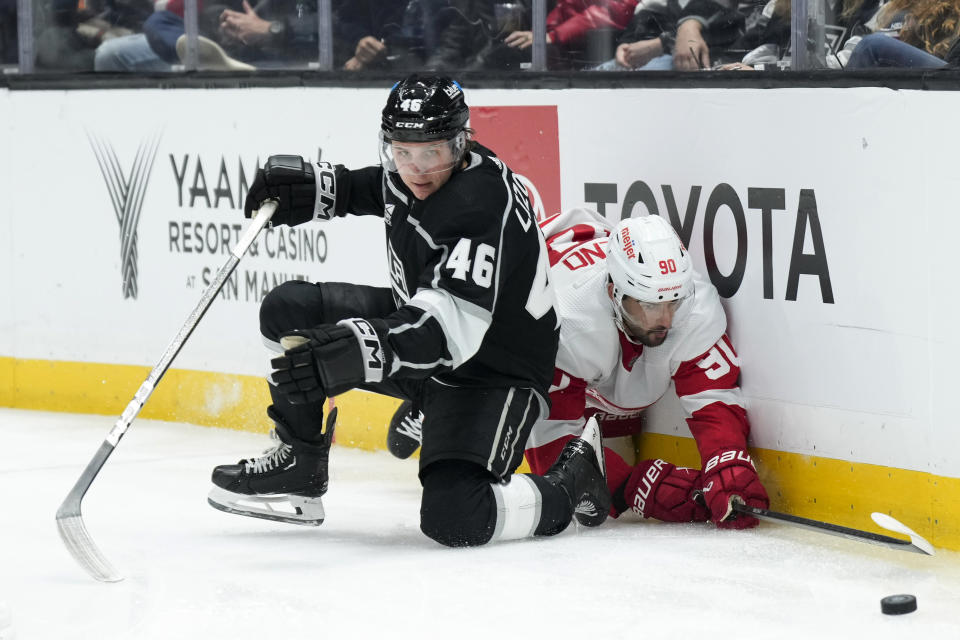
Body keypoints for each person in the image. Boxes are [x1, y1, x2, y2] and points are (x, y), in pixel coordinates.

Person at [207, 74, 611, 548]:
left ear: (461, 144)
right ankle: (300, 465)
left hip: (491, 372)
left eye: (431, 153)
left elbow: (446, 332)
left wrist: (359, 350)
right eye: (402, 151)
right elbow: (375, 187)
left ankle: (571, 481)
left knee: (455, 517)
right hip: (424, 336)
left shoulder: (478, 205)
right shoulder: (415, 174)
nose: (416, 169)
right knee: (288, 310)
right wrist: (316, 188)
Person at [390, 207, 769, 529]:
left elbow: (713, 398)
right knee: (496, 404)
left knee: (617, 424)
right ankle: (442, 401)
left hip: (586, 300)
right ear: (613, 292)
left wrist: (727, 458)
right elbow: (553, 450)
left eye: (672, 302)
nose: (665, 319)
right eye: (650, 305)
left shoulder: (692, 304)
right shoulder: (567, 322)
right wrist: (637, 487)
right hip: (516, 310)